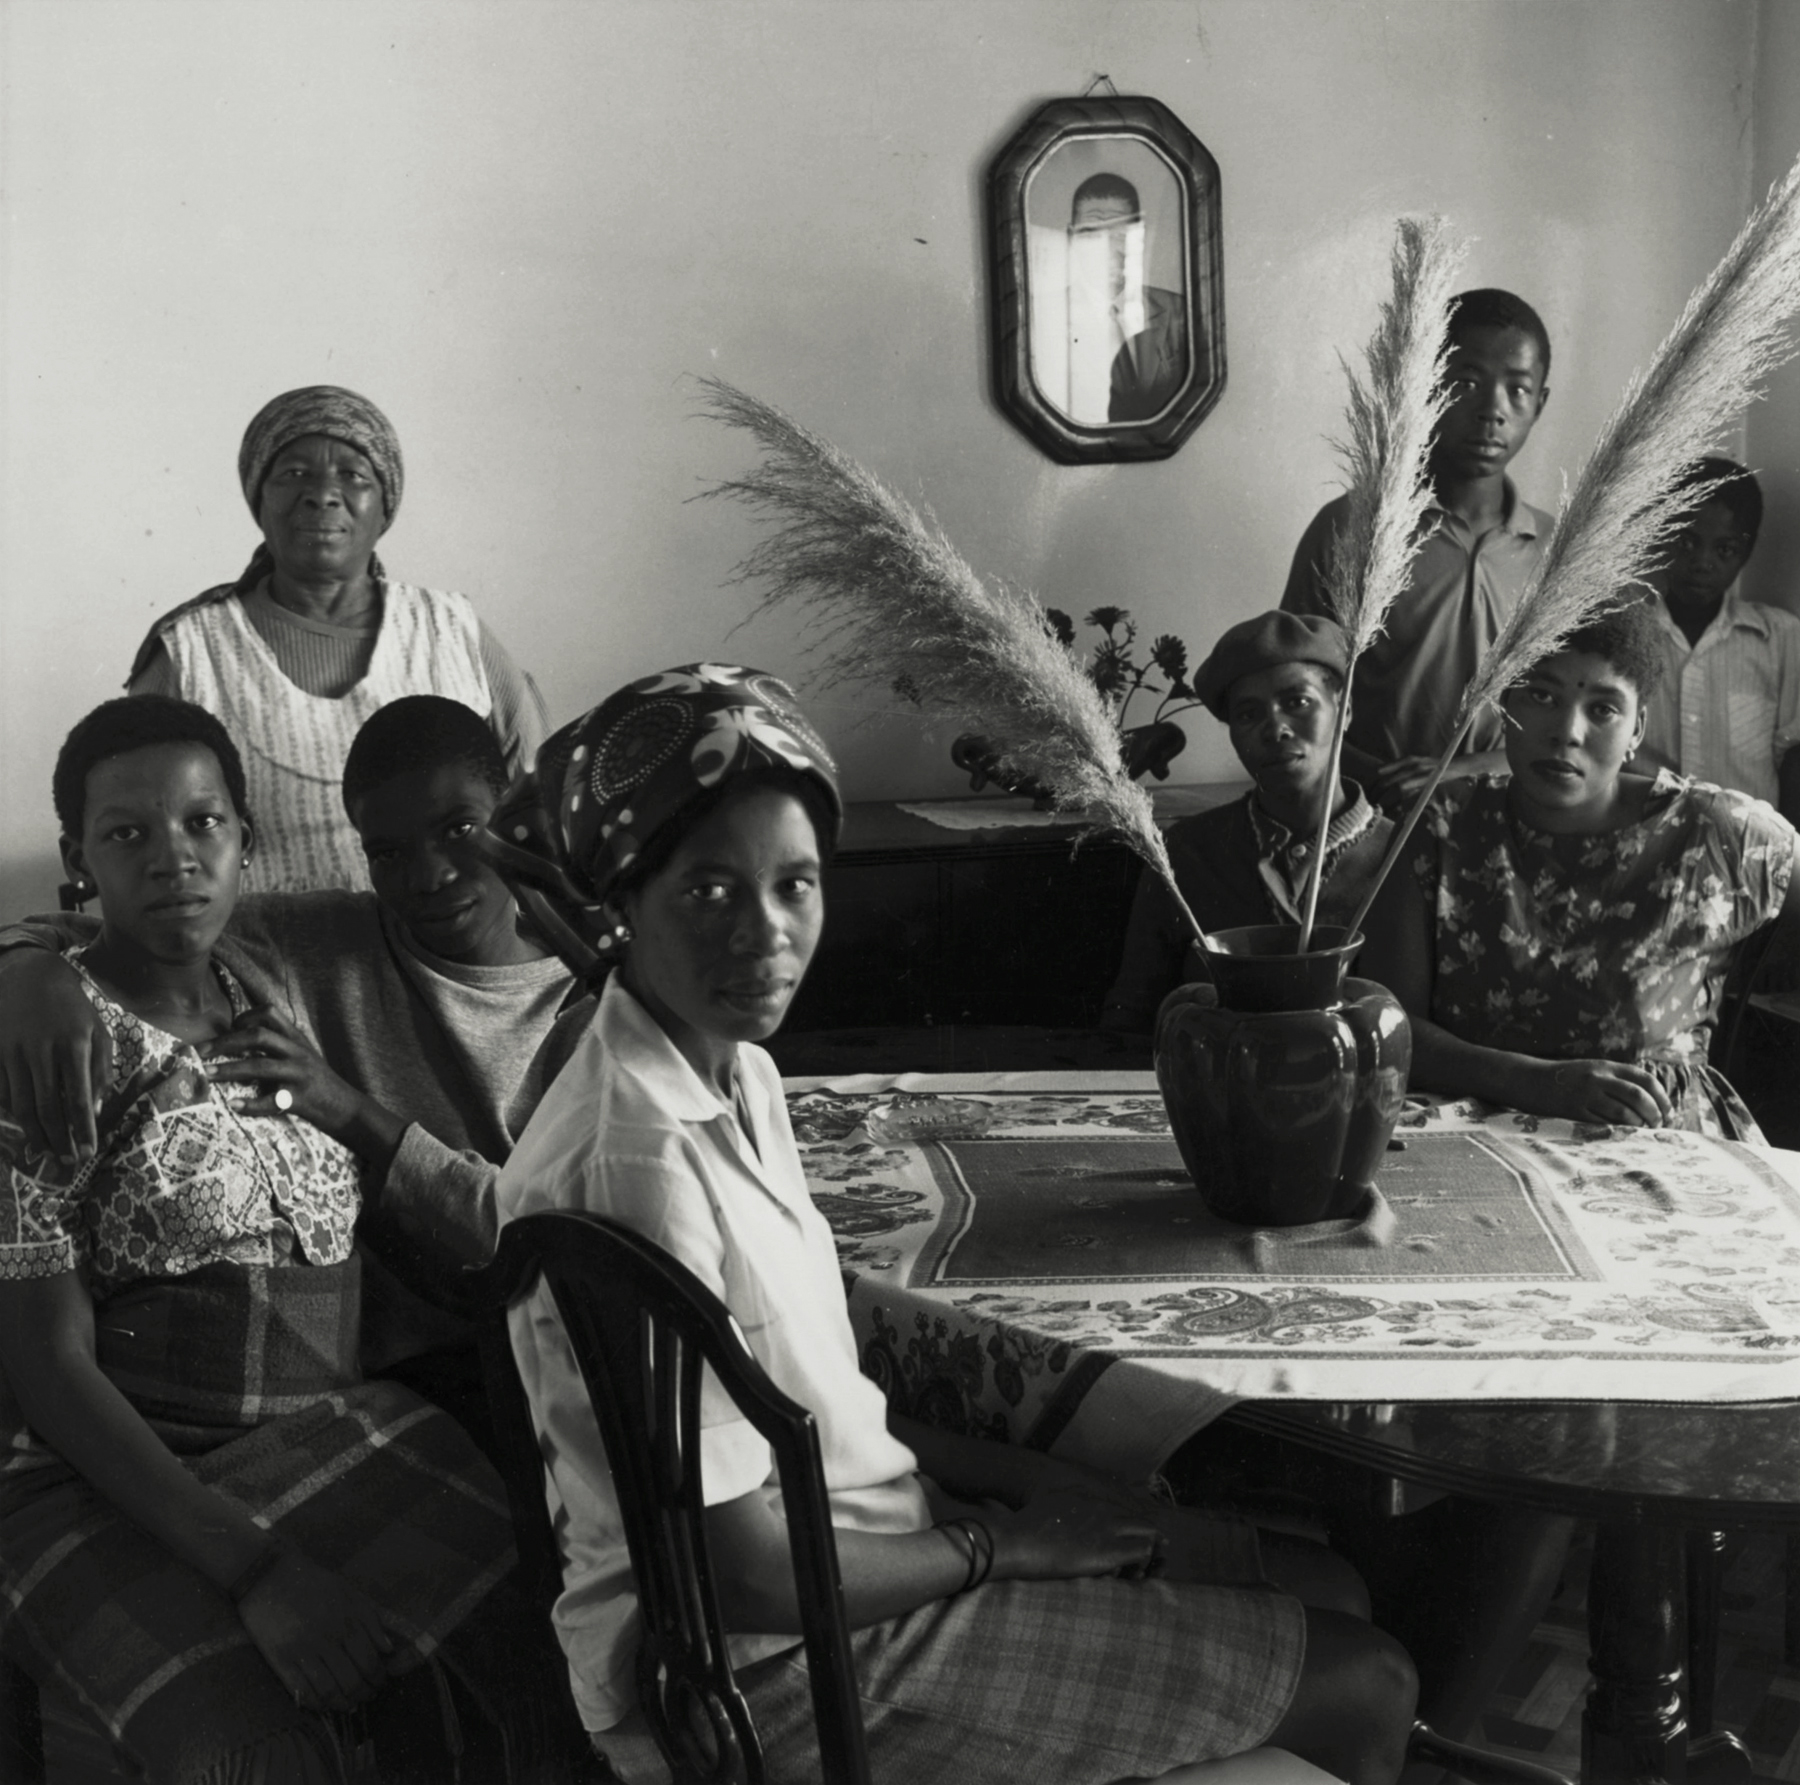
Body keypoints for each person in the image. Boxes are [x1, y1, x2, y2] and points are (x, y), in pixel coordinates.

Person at [489, 664, 1418, 1785]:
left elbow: (812, 1409)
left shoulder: (732, 1075)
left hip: (865, 1552)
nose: (767, 935)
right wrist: (1000, 1546)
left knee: (1326, 1589)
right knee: (1369, 1684)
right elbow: (742, 1576)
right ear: (623, 901)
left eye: (795, 885)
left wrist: (1027, 1484)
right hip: (771, 1667)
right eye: (708, 892)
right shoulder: (635, 1163)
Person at [0, 696, 550, 1783]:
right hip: (114, 1473)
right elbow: (44, 1370)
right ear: (78, 859)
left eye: (204, 823)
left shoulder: (269, 976)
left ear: (247, 841)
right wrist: (259, 1575)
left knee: (561, 1648)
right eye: (128, 835)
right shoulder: (45, 1049)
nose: (173, 860)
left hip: (336, 1431)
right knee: (269, 1750)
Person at [0, 695, 593, 1446]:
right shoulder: (314, 941)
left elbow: (553, 1246)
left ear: (511, 811)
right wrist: (25, 970)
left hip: (558, 1345)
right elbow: (119, 928)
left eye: (459, 830)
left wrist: (349, 1110)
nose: (430, 874)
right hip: (390, 1374)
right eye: (388, 852)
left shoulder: (592, 996)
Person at [1358, 602, 1800, 1138]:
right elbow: (1391, 1024)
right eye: (1541, 696)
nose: (1567, 731)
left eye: (1604, 709)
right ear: (1503, 703)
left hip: (1652, 1140)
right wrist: (1537, 1082)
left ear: (1638, 727)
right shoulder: (1441, 824)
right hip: (1461, 1127)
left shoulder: (1715, 833)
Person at [127, 386, 546, 893]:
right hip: (260, 960)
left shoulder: (451, 630)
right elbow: (134, 827)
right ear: (259, 496)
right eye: (294, 473)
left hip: (446, 953)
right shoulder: (189, 653)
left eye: (353, 475)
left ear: (384, 502)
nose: (322, 493)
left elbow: (537, 802)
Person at [1280, 289, 1554, 814]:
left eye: (1517, 389)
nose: (1493, 410)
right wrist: (1375, 779)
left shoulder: (1556, 548)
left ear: (1539, 403)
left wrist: (1466, 771)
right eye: (1467, 383)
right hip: (1372, 813)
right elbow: (1292, 692)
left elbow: (1566, 718)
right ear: (1428, 387)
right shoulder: (1353, 526)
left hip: (1511, 820)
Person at [1101, 611, 1393, 1033]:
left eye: (1298, 702)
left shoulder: (1402, 852)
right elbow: (1130, 1015)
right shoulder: (1185, 851)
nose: (1275, 728)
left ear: (1343, 711)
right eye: (1248, 714)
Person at [1635, 458, 1800, 824]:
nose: (1702, 562)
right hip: (1640, 854)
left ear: (1746, 552)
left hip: (1746, 859)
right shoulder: (1627, 634)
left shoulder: (1781, 639)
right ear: (1665, 533)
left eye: (1723, 549)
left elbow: (1794, 765)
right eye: (1687, 541)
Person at [1066, 174, 1194, 426]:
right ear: (1072, 237)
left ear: (1139, 235)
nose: (1109, 248)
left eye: (1120, 232)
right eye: (1092, 232)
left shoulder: (1180, 312)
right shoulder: (1041, 317)